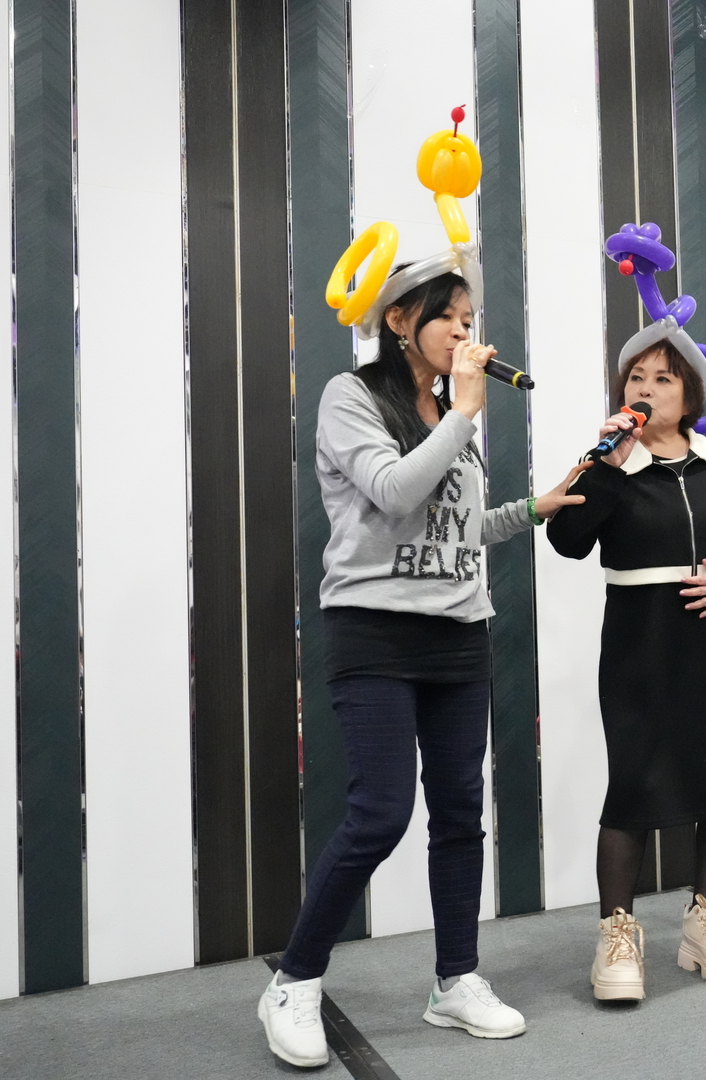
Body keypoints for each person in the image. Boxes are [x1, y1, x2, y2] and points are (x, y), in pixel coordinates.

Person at [257, 263, 588, 1068]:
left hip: (459, 634)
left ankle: (455, 981)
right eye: (453, 319)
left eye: (472, 322)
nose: (467, 335)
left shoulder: (448, 411)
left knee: (461, 814)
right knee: (379, 813)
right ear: (401, 319)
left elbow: (453, 529)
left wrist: (531, 508)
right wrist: (465, 414)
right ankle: (294, 981)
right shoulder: (350, 397)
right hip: (374, 632)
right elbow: (395, 491)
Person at [547, 337, 706, 1003]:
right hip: (639, 649)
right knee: (634, 786)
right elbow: (567, 541)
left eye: (664, 379)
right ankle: (617, 934)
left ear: (691, 396)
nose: (646, 388)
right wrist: (607, 468)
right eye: (637, 377)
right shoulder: (609, 461)